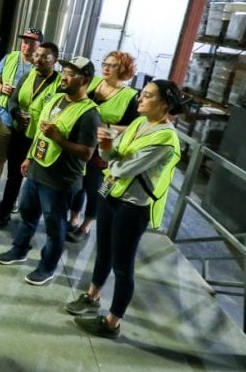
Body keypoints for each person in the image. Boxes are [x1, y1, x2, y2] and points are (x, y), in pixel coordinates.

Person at [67, 79, 183, 339]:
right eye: (142, 94)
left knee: (122, 266)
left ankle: (112, 323)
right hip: (112, 197)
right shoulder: (139, 123)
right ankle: (92, 296)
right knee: (103, 252)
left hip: (132, 208)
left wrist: (110, 154)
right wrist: (108, 147)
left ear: (164, 104)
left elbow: (122, 168)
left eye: (148, 96)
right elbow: (111, 157)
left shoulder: (166, 138)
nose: (140, 99)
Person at [0, 56, 101, 286]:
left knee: (55, 227)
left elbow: (86, 153)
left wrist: (59, 139)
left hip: (60, 179)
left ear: (86, 80)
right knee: (27, 214)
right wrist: (29, 157)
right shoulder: (56, 99)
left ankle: (47, 267)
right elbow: (41, 133)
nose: (64, 76)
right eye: (65, 72)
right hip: (37, 170)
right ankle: (19, 249)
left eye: (72, 74)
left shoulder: (90, 114)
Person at [0, 41, 61, 227]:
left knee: (36, 181)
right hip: (20, 134)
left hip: (43, 140)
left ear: (55, 60)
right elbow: (12, 100)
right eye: (37, 55)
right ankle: (4, 212)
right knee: (14, 176)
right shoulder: (27, 75)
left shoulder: (59, 84)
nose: (39, 60)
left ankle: (31, 221)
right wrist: (16, 113)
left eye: (45, 57)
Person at [66, 51, 140, 243]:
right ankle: (74, 218)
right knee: (78, 185)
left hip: (105, 153)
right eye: (105, 63)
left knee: (98, 190)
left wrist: (106, 128)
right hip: (82, 144)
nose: (106, 67)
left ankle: (87, 224)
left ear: (124, 69)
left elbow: (134, 128)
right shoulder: (93, 82)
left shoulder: (131, 96)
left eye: (113, 65)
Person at [0, 28, 43, 208]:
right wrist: (0, 88)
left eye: (31, 41)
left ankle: (12, 196)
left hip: (26, 121)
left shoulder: (40, 66)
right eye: (24, 40)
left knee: (19, 162)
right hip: (4, 116)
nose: (26, 44)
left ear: (39, 45)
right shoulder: (10, 58)